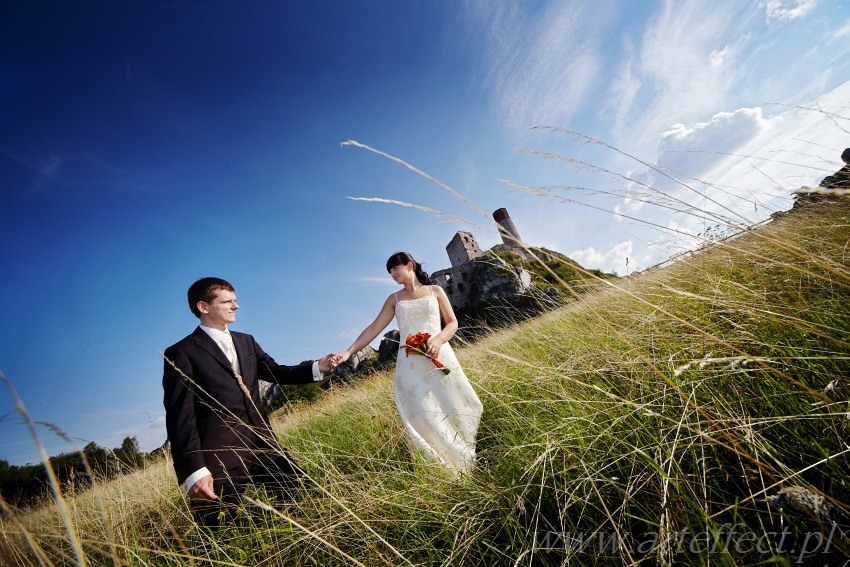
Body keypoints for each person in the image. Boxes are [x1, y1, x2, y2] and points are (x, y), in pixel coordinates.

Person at [162, 277, 336, 528]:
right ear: (204, 307)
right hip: (219, 454)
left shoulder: (247, 341)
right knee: (217, 528)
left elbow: (276, 372)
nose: (236, 306)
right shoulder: (181, 352)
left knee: (299, 492)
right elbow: (180, 417)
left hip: (263, 443)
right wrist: (195, 472)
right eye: (227, 301)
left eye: (235, 300)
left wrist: (316, 367)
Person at [335, 252, 483, 474]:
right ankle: (439, 467)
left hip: (439, 355)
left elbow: (452, 323)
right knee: (423, 413)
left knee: (458, 402)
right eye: (389, 272)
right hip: (410, 364)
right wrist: (348, 352)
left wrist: (439, 339)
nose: (392, 274)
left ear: (410, 265)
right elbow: (374, 328)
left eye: (395, 268)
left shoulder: (435, 291)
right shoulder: (394, 300)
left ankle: (465, 456)